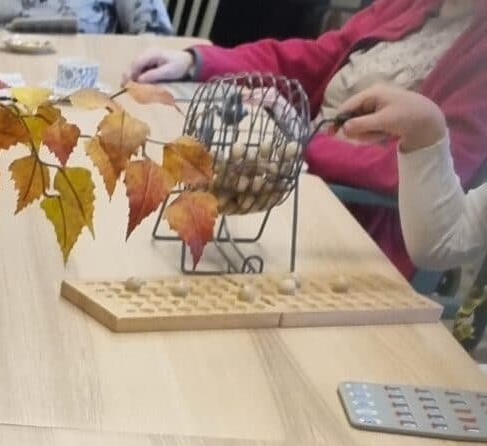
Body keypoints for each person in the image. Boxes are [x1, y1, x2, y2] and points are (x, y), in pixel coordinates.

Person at [126, 0, 487, 275]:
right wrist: (198, 62)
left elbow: (428, 175)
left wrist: (299, 140)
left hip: (352, 232)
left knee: (153, 252)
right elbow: (315, 57)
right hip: (289, 177)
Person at [334, 82, 487, 270]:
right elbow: (448, 240)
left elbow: (387, 170)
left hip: (380, 235)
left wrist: (316, 146)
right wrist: (425, 132)